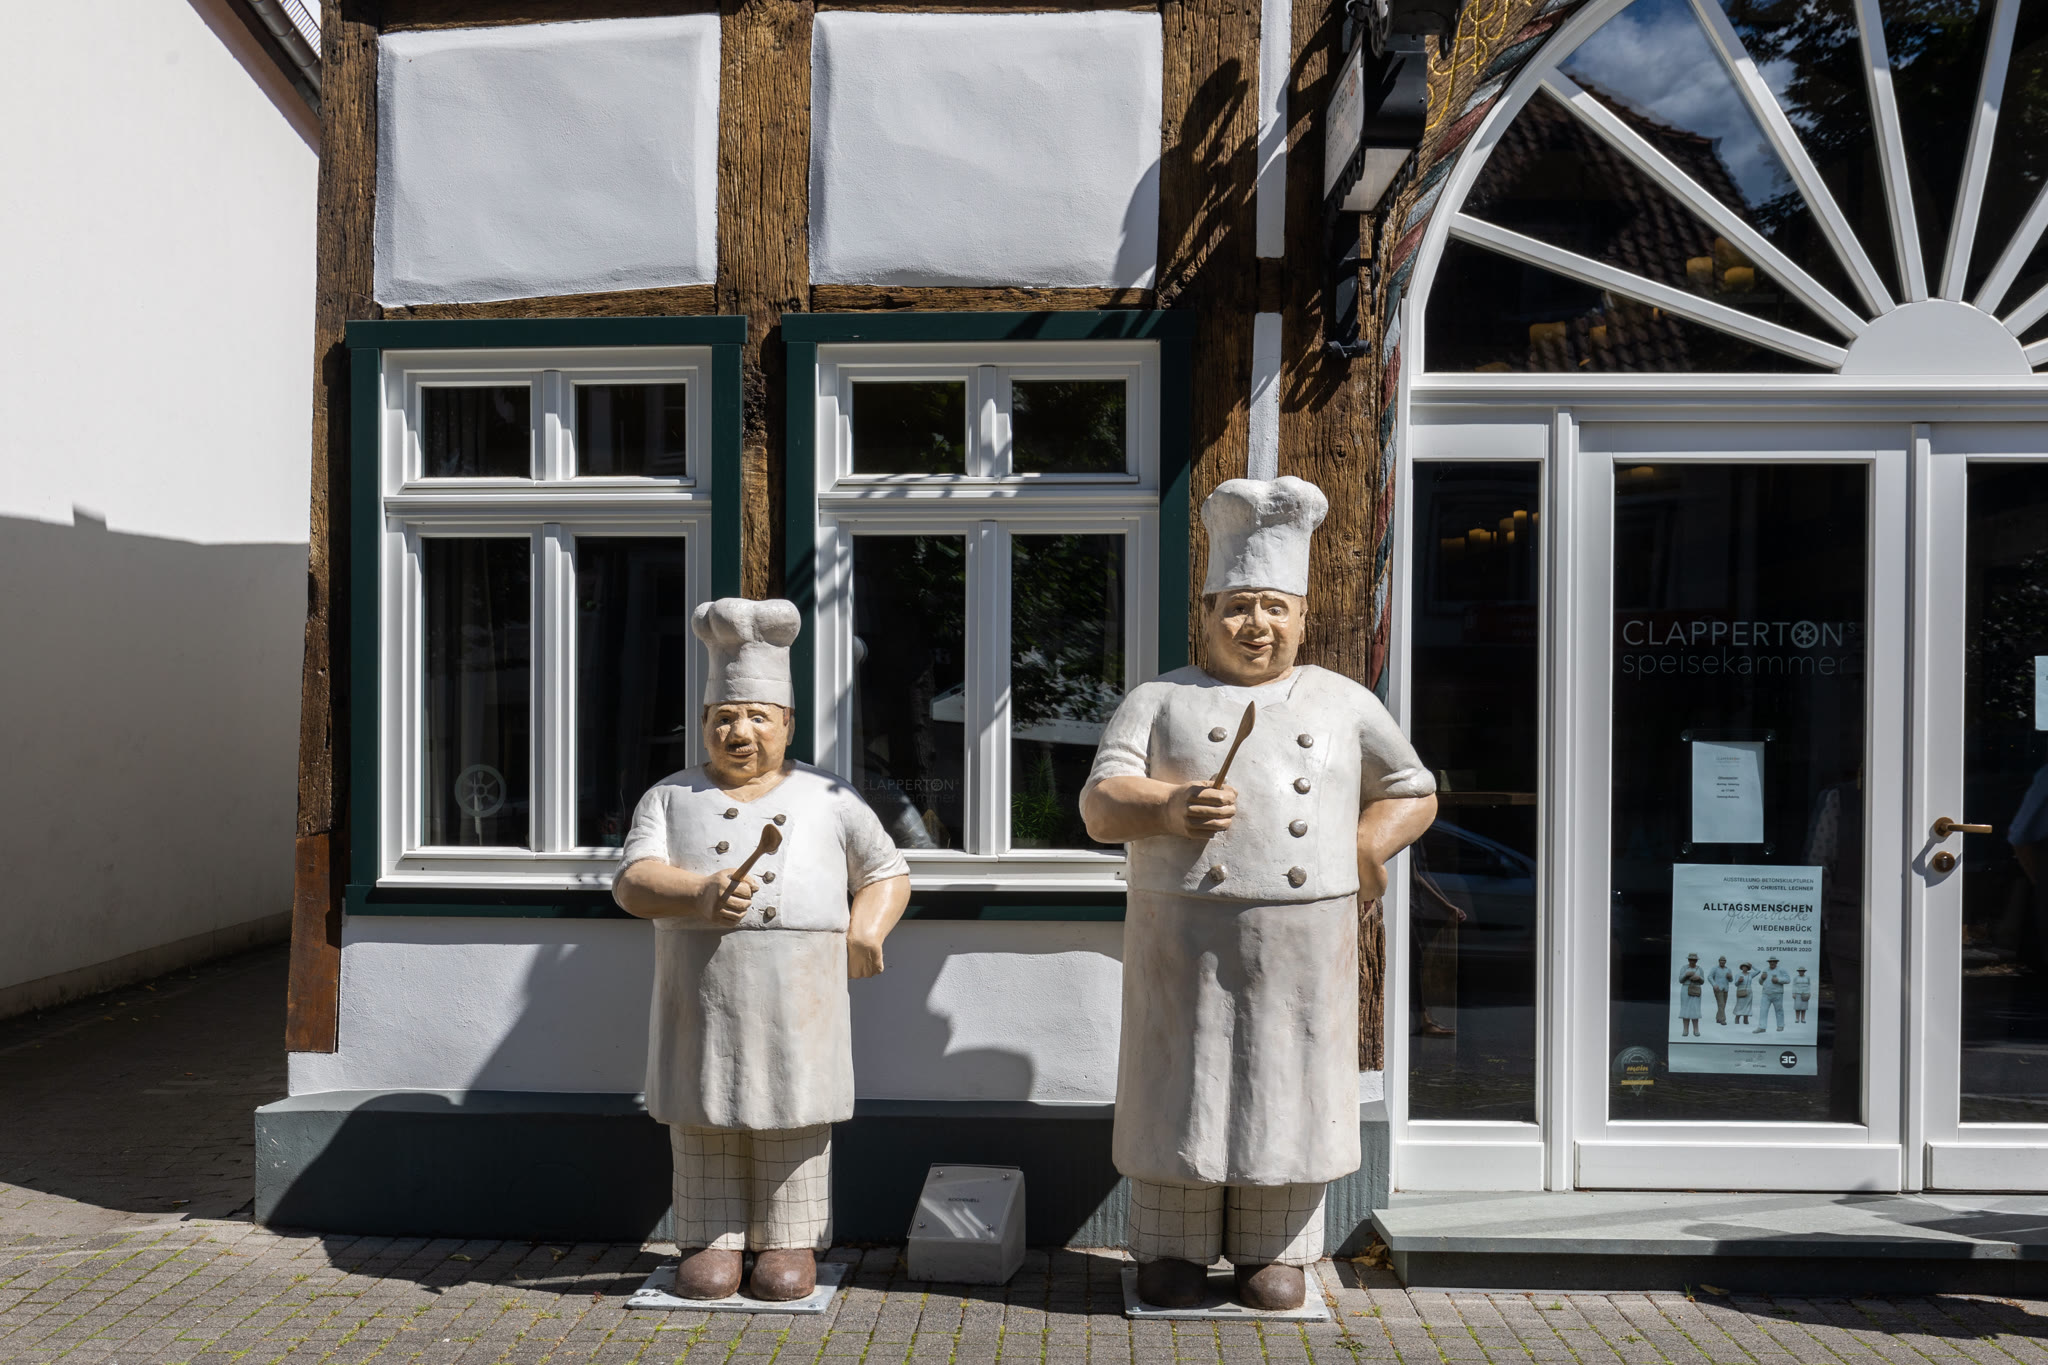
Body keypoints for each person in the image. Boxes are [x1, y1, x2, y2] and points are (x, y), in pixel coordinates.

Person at [1081, 477, 1437, 1312]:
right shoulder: (1160, 699)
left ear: (1302, 618)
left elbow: (1414, 789)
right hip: (1182, 935)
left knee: (1287, 1085)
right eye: (1238, 606)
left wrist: (1363, 844)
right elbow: (1100, 803)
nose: (1256, 624)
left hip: (1304, 941)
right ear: (1206, 615)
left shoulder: (1343, 702)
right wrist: (1168, 806)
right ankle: (1172, 1246)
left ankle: (1273, 1251)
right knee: (1182, 1083)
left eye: (1275, 607)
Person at [613, 598, 912, 1302]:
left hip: (799, 996)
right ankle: (710, 1238)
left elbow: (887, 871)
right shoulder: (670, 797)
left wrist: (866, 929)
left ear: (787, 724)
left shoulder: (830, 797)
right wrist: (696, 892)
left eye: (756, 716)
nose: (738, 732)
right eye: (723, 717)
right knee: (704, 1109)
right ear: (703, 722)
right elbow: (631, 881)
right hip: (702, 996)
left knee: (794, 1108)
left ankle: (789, 1239)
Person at [1754, 956, 1790, 1033]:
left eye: (1774, 961)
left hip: (1777, 994)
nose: (1772, 963)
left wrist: (1778, 980)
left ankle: (1780, 1026)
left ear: (1777, 962)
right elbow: (1760, 982)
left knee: (1779, 1010)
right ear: (1769, 962)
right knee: (1763, 1010)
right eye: (1771, 961)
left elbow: (1788, 980)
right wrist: (1762, 978)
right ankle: (1762, 1027)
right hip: (1766, 994)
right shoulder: (1765, 970)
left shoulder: (1781, 970)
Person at [1676, 953, 1705, 1037]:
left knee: (1695, 1009)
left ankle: (1696, 1029)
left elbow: (1703, 981)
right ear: (1688, 960)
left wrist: (1699, 978)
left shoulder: (1700, 969)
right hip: (1686, 989)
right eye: (1691, 959)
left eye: (1694, 960)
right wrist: (1686, 975)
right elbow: (1680, 980)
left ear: (1696, 961)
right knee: (1685, 1009)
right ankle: (1685, 1029)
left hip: (1696, 989)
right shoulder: (1684, 968)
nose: (1693, 961)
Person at [1707, 955, 1734, 1027]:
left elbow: (1731, 980)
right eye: (1721, 960)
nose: (1722, 962)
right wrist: (1714, 985)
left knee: (1723, 1004)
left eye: (1724, 961)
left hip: (1726, 988)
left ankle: (1718, 1018)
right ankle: (1722, 1019)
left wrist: (1730, 977)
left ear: (1725, 962)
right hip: (1718, 988)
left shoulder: (1728, 969)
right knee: (1721, 1004)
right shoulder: (1715, 968)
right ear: (1719, 961)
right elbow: (1709, 977)